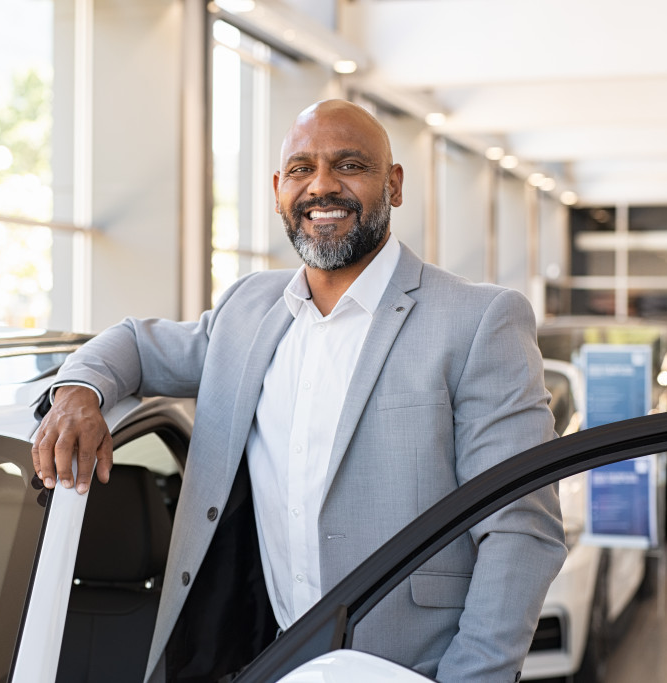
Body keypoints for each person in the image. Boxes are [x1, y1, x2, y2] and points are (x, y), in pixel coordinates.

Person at [32, 99, 567, 682]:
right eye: (300, 169)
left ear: (394, 184)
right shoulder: (248, 310)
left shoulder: (479, 320)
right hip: (267, 656)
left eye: (349, 165)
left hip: (408, 667)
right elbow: (134, 343)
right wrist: (78, 392)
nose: (322, 186)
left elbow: (521, 528)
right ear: (278, 189)